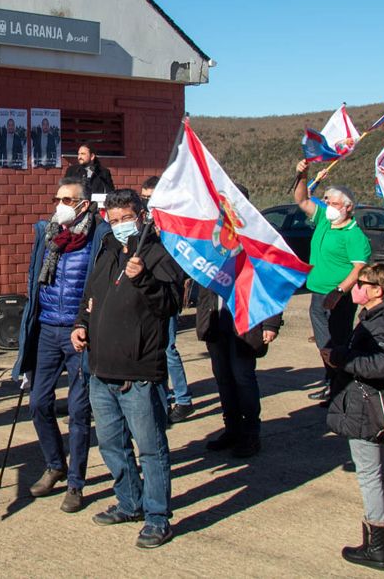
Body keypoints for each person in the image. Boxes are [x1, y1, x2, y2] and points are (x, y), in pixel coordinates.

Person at [73, 188, 183, 549]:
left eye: (126, 219)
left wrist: (144, 279)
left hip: (138, 373)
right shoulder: (105, 248)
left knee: (150, 449)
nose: (120, 225)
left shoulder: (156, 250)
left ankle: (157, 517)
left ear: (140, 215)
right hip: (100, 368)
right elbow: (91, 296)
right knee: (111, 445)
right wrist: (81, 325)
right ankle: (128, 501)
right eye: (114, 219)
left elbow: (170, 305)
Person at [13, 178, 110, 513]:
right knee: (38, 403)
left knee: (79, 412)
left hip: (79, 333)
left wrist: (90, 319)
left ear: (84, 205)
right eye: (58, 198)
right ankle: (55, 463)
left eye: (67, 199)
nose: (60, 205)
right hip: (46, 331)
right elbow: (33, 276)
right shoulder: (48, 234)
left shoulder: (99, 236)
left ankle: (76, 483)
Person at [325, 264, 384, 570]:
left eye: (361, 284)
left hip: (367, 406)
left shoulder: (383, 324)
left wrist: (343, 358)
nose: (356, 287)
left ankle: (376, 546)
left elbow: (380, 365)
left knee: (369, 474)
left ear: (377, 291)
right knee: (383, 472)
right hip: (373, 404)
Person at [293, 160, 372, 405]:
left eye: (333, 203)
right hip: (317, 293)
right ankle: (331, 381)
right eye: (326, 201)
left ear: (348, 208)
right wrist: (303, 176)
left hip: (338, 297)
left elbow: (358, 268)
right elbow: (302, 200)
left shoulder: (354, 235)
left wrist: (339, 291)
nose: (327, 206)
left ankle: (341, 388)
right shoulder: (325, 222)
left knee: (338, 343)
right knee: (323, 343)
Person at [196, 284, 282, 459]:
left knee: (243, 379)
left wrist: (271, 323)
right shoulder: (213, 255)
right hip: (215, 321)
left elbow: (272, 281)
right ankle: (232, 429)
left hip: (245, 324)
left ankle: (250, 433)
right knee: (223, 380)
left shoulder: (256, 255)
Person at [141, 176, 192, 423]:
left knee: (168, 347)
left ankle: (183, 399)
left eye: (152, 199)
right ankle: (162, 396)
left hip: (166, 293)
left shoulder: (175, 227)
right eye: (144, 199)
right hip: (147, 293)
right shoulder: (144, 226)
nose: (147, 205)